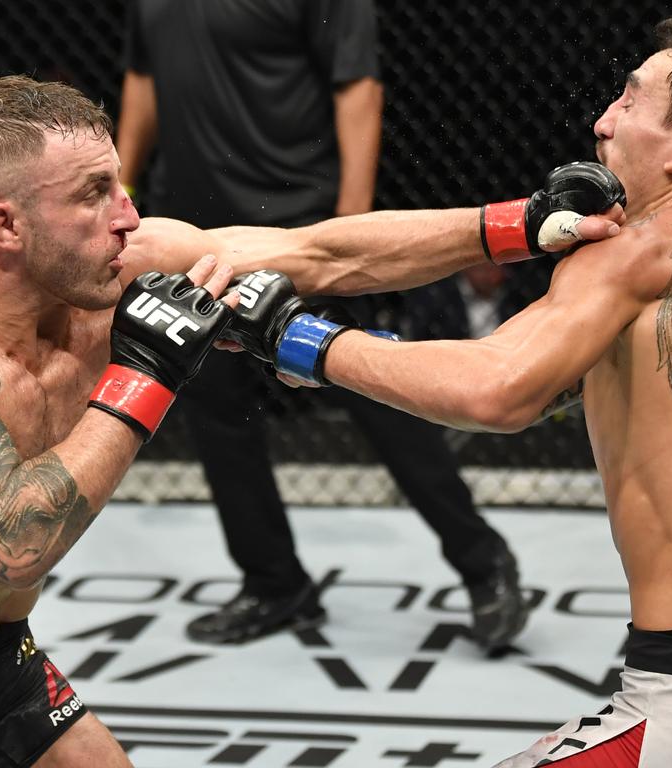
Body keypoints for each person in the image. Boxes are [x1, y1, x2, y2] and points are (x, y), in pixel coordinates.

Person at [0, 73, 621, 764]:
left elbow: (321, 255)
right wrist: (149, 374)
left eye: (118, 184)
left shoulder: (115, 268)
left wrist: (522, 223)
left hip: (3, 666)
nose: (128, 217)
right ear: (3, 226)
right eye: (90, 195)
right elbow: (13, 541)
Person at [162, 18, 672, 766]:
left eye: (629, 100)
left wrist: (296, 338)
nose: (602, 121)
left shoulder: (633, 252)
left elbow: (498, 390)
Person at [115, 0, 530, 653]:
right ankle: (275, 583)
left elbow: (358, 89)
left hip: (296, 228)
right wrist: (125, 194)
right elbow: (143, 79)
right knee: (215, 411)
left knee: (375, 394)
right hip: (188, 231)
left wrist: (347, 238)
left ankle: (483, 561)